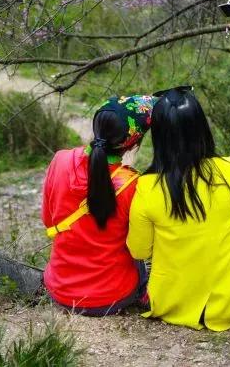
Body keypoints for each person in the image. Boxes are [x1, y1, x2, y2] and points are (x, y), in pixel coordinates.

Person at [127, 86, 230, 331]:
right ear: (202, 128)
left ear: (159, 136)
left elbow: (139, 249)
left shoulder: (146, 187)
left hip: (173, 304)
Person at [41, 94, 154, 315]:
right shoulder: (132, 185)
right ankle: (142, 296)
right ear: (133, 143)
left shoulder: (60, 160)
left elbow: (48, 219)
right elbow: (139, 247)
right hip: (111, 297)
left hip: (61, 291)